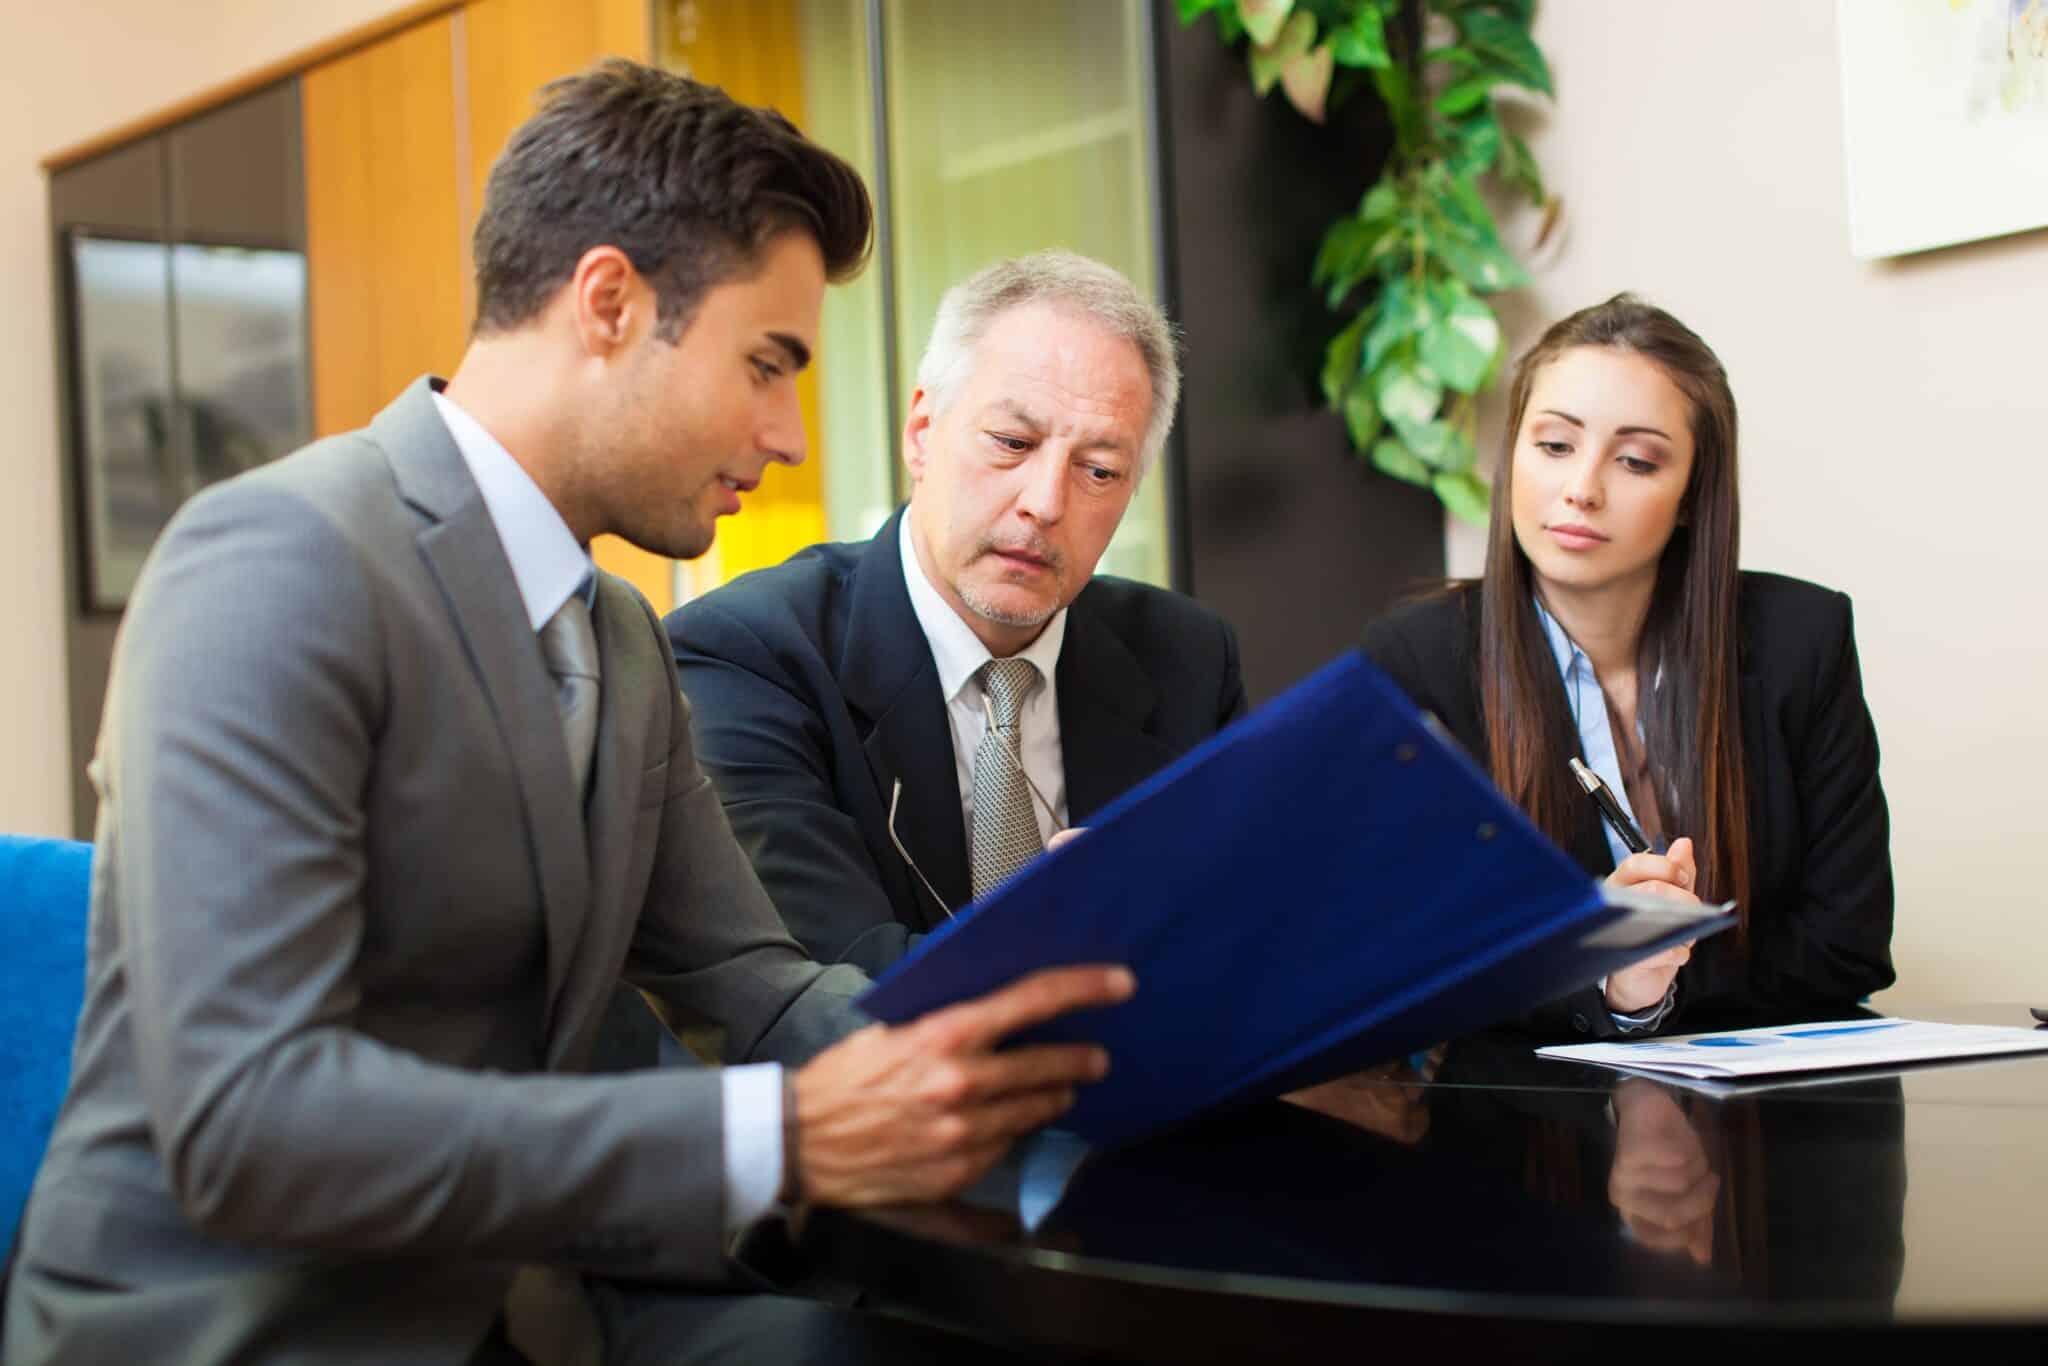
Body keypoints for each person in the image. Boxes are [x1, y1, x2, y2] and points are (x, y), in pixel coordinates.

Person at [3, 61, 1135, 1366]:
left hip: (507, 1311)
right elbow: (248, 1119)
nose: (788, 435)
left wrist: (1086, 1026)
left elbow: (758, 991)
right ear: (609, 302)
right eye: (768, 365)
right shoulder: (275, 561)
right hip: (229, 1333)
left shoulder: (616, 640)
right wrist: (778, 1135)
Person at [665, 251, 1245, 975]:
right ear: (922, 431)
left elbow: (1238, 943)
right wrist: (1061, 935)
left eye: (1099, 470)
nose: (1045, 502)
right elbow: (832, 986)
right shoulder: (748, 655)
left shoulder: (1187, 656)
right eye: (1011, 443)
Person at [1361, 293, 1893, 1037]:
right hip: (1524, 1129)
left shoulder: (1801, 638)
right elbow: (1416, 964)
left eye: (1636, 460)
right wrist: (1610, 977)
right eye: (1553, 446)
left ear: (1689, 498)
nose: (1582, 488)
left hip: (1764, 1116)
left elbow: (1848, 949)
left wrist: (1649, 973)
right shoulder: (1414, 663)